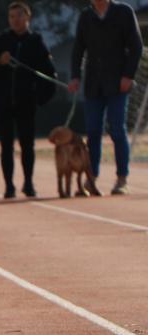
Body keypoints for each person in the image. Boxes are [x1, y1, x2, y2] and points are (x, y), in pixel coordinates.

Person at [0, 3, 56, 199]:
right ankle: (9, 186)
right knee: (6, 146)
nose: (15, 20)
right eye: (12, 16)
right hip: (2, 103)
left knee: (27, 145)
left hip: (26, 102)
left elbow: (48, 73)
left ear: (28, 17)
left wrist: (40, 98)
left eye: (19, 16)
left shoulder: (36, 42)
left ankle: (28, 183)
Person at [68, 0, 144, 195]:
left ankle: (122, 178)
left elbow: (136, 46)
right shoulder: (86, 16)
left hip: (118, 82)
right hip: (94, 84)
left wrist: (128, 75)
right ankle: (91, 177)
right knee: (93, 131)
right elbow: (78, 49)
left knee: (117, 129)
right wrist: (75, 76)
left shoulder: (123, 12)